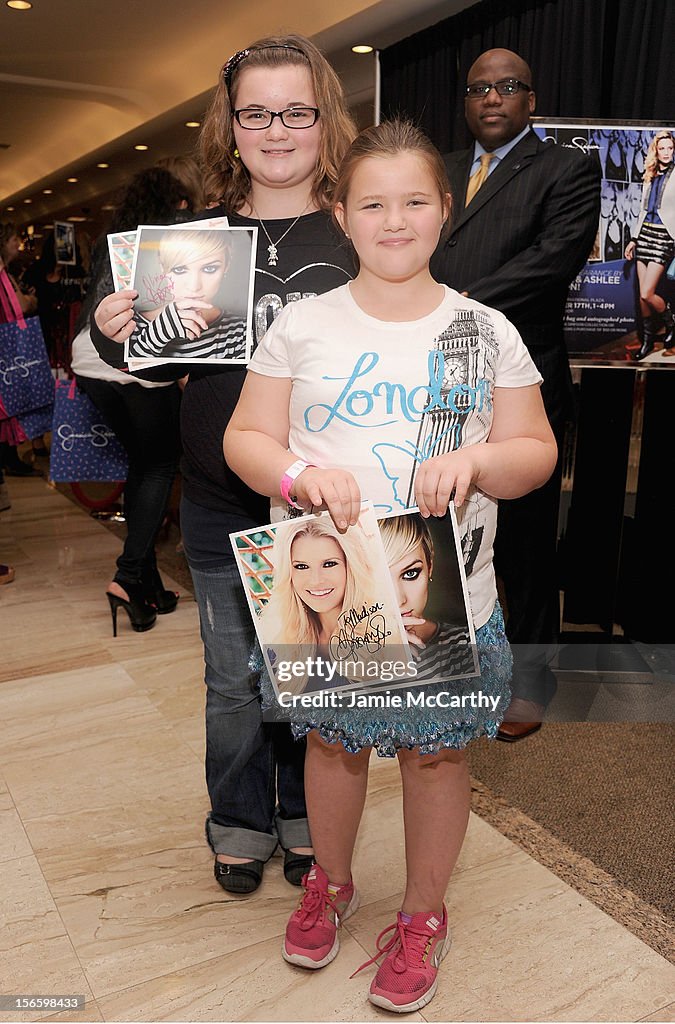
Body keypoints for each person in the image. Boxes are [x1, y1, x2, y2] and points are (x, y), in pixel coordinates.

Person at [224, 119, 557, 1013]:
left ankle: (421, 914)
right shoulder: (302, 324)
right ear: (342, 214)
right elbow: (247, 436)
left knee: (437, 758)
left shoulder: (484, 331)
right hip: (330, 592)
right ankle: (329, 882)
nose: (394, 220)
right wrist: (299, 474)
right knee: (333, 747)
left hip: (448, 593)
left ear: (444, 211)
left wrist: (481, 463)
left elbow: (534, 453)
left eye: (414, 201)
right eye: (373, 203)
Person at [91, 35, 357, 894]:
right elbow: (157, 366)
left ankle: (303, 812)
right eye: (255, 114)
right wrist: (112, 329)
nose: (276, 130)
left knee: (312, 673)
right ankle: (238, 816)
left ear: (324, 117)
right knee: (233, 679)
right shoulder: (196, 240)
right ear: (229, 126)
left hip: (326, 506)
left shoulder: (360, 226)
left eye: (295, 111)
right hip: (217, 496)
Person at [430, 48, 601, 740]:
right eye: (478, 88)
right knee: (439, 526)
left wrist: (455, 302)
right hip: (434, 379)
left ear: (531, 98)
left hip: (516, 381)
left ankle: (532, 679)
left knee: (524, 542)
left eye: (507, 87)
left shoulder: (564, 168)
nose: (491, 98)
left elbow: (553, 259)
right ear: (464, 100)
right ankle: (445, 663)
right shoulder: (436, 170)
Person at [71, 166, 189, 634]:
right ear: (175, 205)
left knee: (143, 464)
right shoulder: (169, 241)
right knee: (160, 465)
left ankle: (149, 586)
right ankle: (126, 576)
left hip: (88, 352)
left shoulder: (111, 236)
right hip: (133, 357)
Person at [257, 515, 398, 695]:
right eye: (301, 567)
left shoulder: (387, 638)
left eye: (329, 564)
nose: (316, 581)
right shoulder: (277, 644)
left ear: (352, 566)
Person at [380, 513, 475, 681]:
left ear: (429, 566)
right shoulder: (336, 656)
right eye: (380, 580)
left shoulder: (463, 644)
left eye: (410, 573)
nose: (399, 599)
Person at [128, 228, 248, 361]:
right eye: (179, 269)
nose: (194, 286)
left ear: (227, 266)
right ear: (162, 267)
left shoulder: (242, 330)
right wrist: (157, 334)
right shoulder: (130, 326)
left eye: (209, 269)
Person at [624, 129, 675, 360]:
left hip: (664, 236)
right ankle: (647, 341)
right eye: (662, 148)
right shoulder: (651, 174)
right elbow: (643, 210)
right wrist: (634, 238)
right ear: (656, 150)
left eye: (670, 148)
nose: (666, 152)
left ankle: (670, 323)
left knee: (647, 292)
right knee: (641, 296)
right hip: (644, 234)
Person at [0, 223, 40, 481]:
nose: (18, 244)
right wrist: (32, 301)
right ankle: (8, 457)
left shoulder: (6, 273)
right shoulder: (2, 275)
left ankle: (9, 456)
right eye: (14, 239)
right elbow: (21, 306)